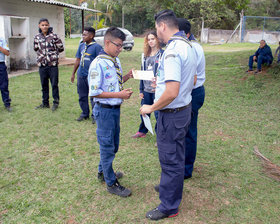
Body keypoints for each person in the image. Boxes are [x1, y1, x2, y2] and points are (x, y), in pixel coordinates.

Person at [140, 10, 197, 220]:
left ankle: (169, 206)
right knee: (177, 155)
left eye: (156, 29)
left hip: (171, 114)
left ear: (162, 26)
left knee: (170, 159)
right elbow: (191, 79)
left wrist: (151, 107)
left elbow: (172, 92)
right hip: (183, 110)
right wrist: (162, 83)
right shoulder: (188, 46)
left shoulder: (172, 51)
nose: (157, 33)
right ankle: (171, 189)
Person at [88, 27, 134, 197]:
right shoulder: (98, 63)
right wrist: (119, 95)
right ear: (107, 42)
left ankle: (103, 172)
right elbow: (94, 92)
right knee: (107, 146)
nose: (120, 49)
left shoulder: (114, 61)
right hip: (105, 111)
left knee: (113, 145)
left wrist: (127, 77)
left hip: (115, 110)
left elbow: (113, 83)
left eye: (122, 46)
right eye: (118, 45)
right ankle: (111, 183)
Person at [177, 18, 206, 179]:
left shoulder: (192, 48)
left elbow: (192, 79)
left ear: (186, 34)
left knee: (189, 132)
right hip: (190, 91)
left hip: (193, 92)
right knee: (185, 130)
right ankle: (183, 165)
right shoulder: (188, 45)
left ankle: (186, 170)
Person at [131, 31, 163, 138]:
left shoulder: (163, 54)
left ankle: (160, 135)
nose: (151, 41)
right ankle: (143, 131)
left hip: (157, 90)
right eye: (148, 39)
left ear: (158, 39)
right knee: (144, 111)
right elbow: (142, 74)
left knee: (158, 113)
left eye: (153, 39)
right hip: (146, 89)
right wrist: (141, 90)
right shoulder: (145, 56)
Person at [71, 27, 102, 123]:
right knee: (82, 95)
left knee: (93, 96)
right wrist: (73, 73)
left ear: (91, 36)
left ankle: (94, 115)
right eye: (82, 34)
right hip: (81, 75)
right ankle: (84, 113)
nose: (83, 36)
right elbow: (78, 60)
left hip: (92, 76)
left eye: (85, 35)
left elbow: (100, 62)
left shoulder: (97, 47)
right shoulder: (81, 45)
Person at [34, 18, 64, 111]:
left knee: (54, 84)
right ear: (39, 26)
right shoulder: (37, 37)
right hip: (42, 65)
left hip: (52, 64)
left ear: (49, 25)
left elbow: (61, 48)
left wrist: (53, 55)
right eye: (42, 25)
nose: (44, 26)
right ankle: (45, 103)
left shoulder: (54, 36)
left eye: (46, 25)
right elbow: (36, 48)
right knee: (44, 84)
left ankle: (55, 102)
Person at [0, 37, 11, 112]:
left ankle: (7, 104)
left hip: (1, 64)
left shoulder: (2, 39)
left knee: (4, 85)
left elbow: (7, 53)